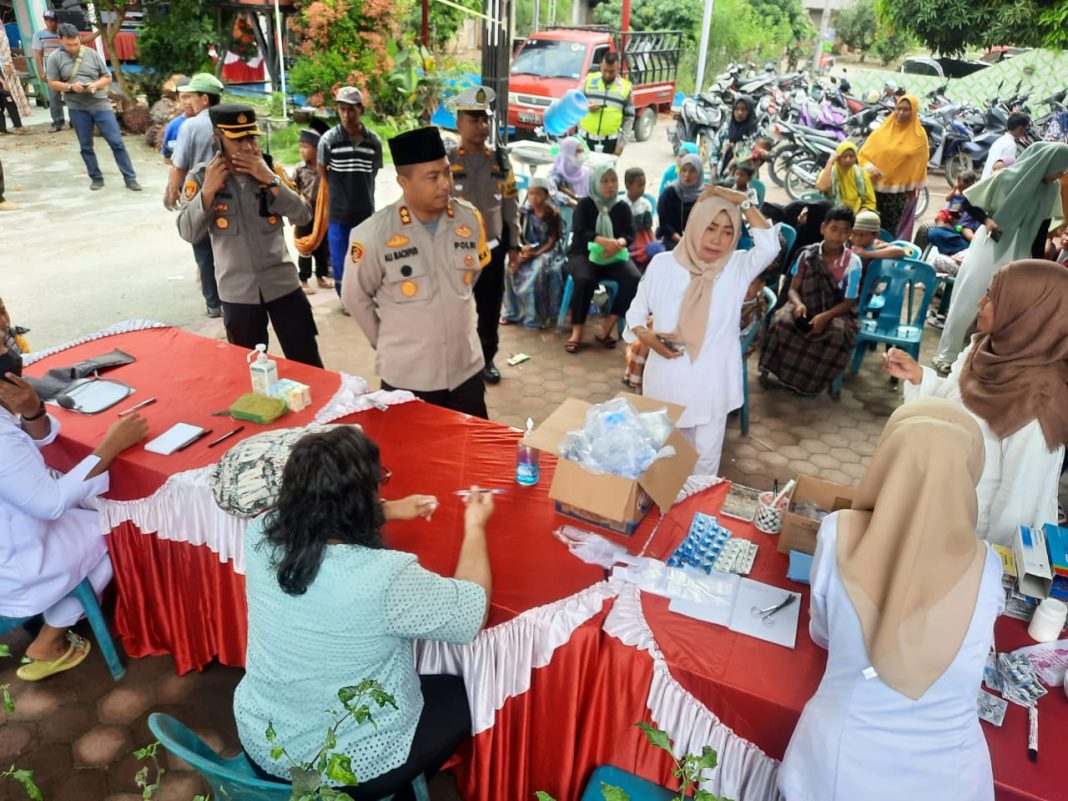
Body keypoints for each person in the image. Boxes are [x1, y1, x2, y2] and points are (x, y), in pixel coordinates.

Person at [234, 426, 492, 799]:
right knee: (463, 694)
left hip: (264, 742)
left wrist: (388, 510)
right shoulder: (383, 576)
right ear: (362, 498)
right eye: (380, 482)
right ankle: (393, 792)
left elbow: (317, 510)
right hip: (345, 768)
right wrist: (476, 527)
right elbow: (472, 610)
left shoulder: (261, 532)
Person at [778, 399, 1004, 801]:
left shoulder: (836, 534)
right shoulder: (988, 567)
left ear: (887, 460)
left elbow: (824, 635)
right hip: (952, 779)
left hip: (835, 769)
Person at [883, 260, 1067, 547]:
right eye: (987, 292)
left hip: (965, 536)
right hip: (928, 503)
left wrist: (979, 560)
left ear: (1029, 313)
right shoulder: (985, 348)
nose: (981, 303)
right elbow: (951, 406)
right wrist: (919, 377)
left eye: (993, 298)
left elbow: (1015, 510)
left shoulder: (1041, 404)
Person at [0, 346, 148, 681]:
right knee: (116, 528)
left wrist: (32, 411)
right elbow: (49, 503)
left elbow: (28, 446)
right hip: (16, 563)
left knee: (86, 503)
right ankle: (50, 639)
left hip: (16, 534)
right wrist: (111, 445)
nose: (8, 354)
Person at [624, 187, 778, 475]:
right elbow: (634, 313)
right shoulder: (663, 265)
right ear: (695, 224)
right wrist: (647, 338)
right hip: (667, 380)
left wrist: (742, 202)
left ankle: (697, 515)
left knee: (704, 463)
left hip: (712, 385)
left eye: (727, 232)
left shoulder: (736, 267)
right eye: (710, 228)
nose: (718, 240)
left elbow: (769, 246)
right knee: (666, 463)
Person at [341, 127, 491, 418]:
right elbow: (354, 297)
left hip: (466, 370)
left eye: (446, 173)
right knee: (413, 461)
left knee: (469, 457)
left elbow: (472, 276)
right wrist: (385, 342)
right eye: (432, 177)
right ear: (403, 182)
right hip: (408, 378)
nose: (445, 184)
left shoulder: (468, 218)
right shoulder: (374, 235)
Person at [176, 105, 322, 367]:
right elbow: (188, 232)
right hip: (238, 293)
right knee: (250, 369)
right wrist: (207, 192)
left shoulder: (270, 170)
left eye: (251, 137)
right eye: (237, 139)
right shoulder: (200, 177)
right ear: (217, 137)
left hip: (283, 285)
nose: (248, 147)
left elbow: (303, 216)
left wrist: (271, 181)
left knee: (307, 361)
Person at [934, 142, 1068, 371]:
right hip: (990, 245)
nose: (1061, 175)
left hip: (1020, 250)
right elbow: (968, 200)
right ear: (1047, 163)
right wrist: (987, 221)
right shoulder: (1006, 178)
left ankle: (982, 361)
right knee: (969, 297)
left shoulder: (1051, 189)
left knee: (1004, 307)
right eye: (1060, 169)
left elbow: (1042, 228)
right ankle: (946, 356)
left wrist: (1034, 264)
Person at [446, 86, 522, 385]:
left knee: (490, 307)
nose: (482, 125)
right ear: (459, 122)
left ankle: (487, 358)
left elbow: (511, 204)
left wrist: (515, 244)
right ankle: (455, 359)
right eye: (475, 119)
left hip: (491, 249)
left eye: (485, 119)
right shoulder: (447, 161)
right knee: (455, 307)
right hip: (455, 251)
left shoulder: (501, 161)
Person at [759, 206, 863, 395]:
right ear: (823, 228)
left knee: (838, 335)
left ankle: (811, 384)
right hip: (805, 304)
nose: (838, 236)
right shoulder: (807, 254)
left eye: (844, 231)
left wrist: (825, 316)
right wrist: (798, 305)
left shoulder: (853, 262)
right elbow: (792, 289)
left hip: (836, 310)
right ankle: (770, 372)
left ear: (850, 234)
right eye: (833, 229)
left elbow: (849, 301)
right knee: (781, 322)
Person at [45, 23, 141, 192]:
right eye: (69, 45)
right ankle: (96, 178)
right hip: (77, 107)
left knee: (117, 142)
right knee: (86, 146)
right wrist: (70, 87)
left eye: (76, 43)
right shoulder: (54, 58)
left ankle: (130, 178)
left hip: (100, 104)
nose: (74, 47)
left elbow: (107, 77)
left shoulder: (92, 54)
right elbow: (51, 83)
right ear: (61, 40)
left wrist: (95, 85)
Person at [164, 73, 225, 318]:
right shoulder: (230, 119)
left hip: (199, 194)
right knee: (227, 247)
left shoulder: (191, 125)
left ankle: (214, 304)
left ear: (205, 99)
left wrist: (171, 192)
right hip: (231, 194)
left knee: (203, 250)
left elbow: (179, 166)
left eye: (193, 96)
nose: (190, 101)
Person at [562, 164, 641, 353]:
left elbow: (630, 234)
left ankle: (609, 323)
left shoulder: (621, 207)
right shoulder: (585, 205)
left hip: (614, 255)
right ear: (596, 183)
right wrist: (603, 241)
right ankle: (577, 331)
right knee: (585, 279)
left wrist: (618, 244)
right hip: (584, 253)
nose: (610, 185)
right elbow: (580, 232)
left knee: (634, 279)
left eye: (613, 180)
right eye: (604, 181)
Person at [318, 86, 384, 300]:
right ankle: (346, 298)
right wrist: (339, 191)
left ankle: (364, 296)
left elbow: (373, 171)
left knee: (364, 257)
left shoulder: (373, 141)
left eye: (351, 110)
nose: (346, 115)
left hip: (365, 212)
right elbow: (323, 169)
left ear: (361, 111)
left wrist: (359, 189)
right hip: (338, 213)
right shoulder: (328, 140)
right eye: (342, 109)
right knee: (340, 259)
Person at [858, 95, 928, 240]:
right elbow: (863, 154)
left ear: (914, 111)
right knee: (864, 228)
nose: (901, 113)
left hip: (897, 195)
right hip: (872, 190)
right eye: (899, 109)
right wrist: (870, 168)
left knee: (887, 232)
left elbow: (920, 163)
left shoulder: (920, 137)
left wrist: (913, 186)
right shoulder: (881, 131)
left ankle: (882, 260)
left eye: (907, 110)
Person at [500, 176, 563, 329]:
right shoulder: (523, 213)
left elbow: (551, 242)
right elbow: (518, 235)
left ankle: (534, 316)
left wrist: (535, 254)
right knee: (508, 264)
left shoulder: (552, 214)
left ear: (546, 196)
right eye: (531, 194)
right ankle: (512, 312)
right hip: (527, 248)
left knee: (538, 270)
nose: (534, 198)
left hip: (546, 251)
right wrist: (522, 250)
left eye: (538, 194)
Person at [290, 127, 334, 294]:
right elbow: (293, 192)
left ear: (317, 149)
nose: (302, 150)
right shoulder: (300, 169)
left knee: (323, 246)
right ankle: (303, 279)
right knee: (305, 247)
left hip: (322, 214)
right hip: (305, 213)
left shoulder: (326, 169)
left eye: (306, 146)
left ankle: (321, 277)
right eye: (300, 146)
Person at [578, 52, 634, 156]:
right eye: (605, 71)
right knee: (584, 172)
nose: (608, 75)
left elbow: (629, 118)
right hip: (585, 140)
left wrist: (621, 145)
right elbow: (574, 103)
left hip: (610, 143)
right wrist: (585, 106)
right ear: (601, 66)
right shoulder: (588, 81)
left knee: (606, 172)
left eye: (612, 71)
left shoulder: (626, 88)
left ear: (618, 68)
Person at [656, 154, 704, 252]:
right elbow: (664, 223)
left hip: (697, 239)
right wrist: (681, 240)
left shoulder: (705, 195)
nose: (687, 175)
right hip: (672, 237)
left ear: (699, 173)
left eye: (692, 171)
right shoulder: (670, 192)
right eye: (684, 170)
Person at [815, 140, 877, 214]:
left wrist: (860, 214)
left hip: (856, 213)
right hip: (832, 213)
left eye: (851, 156)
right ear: (838, 158)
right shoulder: (829, 172)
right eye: (844, 157)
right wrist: (830, 161)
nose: (848, 160)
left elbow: (870, 202)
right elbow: (823, 187)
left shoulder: (862, 174)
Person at [710, 95, 761, 182]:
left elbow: (763, 151)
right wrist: (714, 170)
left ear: (750, 111)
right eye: (737, 109)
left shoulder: (756, 132)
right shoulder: (725, 130)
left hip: (747, 181)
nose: (739, 112)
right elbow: (714, 151)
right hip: (723, 176)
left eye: (744, 109)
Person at [31, 9, 66, 132]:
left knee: (71, 95)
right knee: (54, 97)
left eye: (52, 20)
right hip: (52, 70)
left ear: (57, 21)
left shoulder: (63, 33)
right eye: (47, 20)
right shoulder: (38, 35)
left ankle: (75, 121)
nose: (49, 23)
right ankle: (57, 122)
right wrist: (41, 71)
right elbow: (38, 55)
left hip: (66, 68)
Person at [623, 167, 655, 270]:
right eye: (639, 185)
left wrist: (654, 242)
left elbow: (648, 228)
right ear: (628, 186)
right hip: (625, 239)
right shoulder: (620, 204)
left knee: (654, 250)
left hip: (642, 237)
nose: (643, 188)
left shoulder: (645, 205)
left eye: (644, 185)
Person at [982, 111, 1029, 180]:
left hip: (985, 179)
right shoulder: (1010, 145)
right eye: (1025, 129)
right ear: (1020, 128)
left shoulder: (1000, 140)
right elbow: (1004, 169)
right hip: (992, 182)